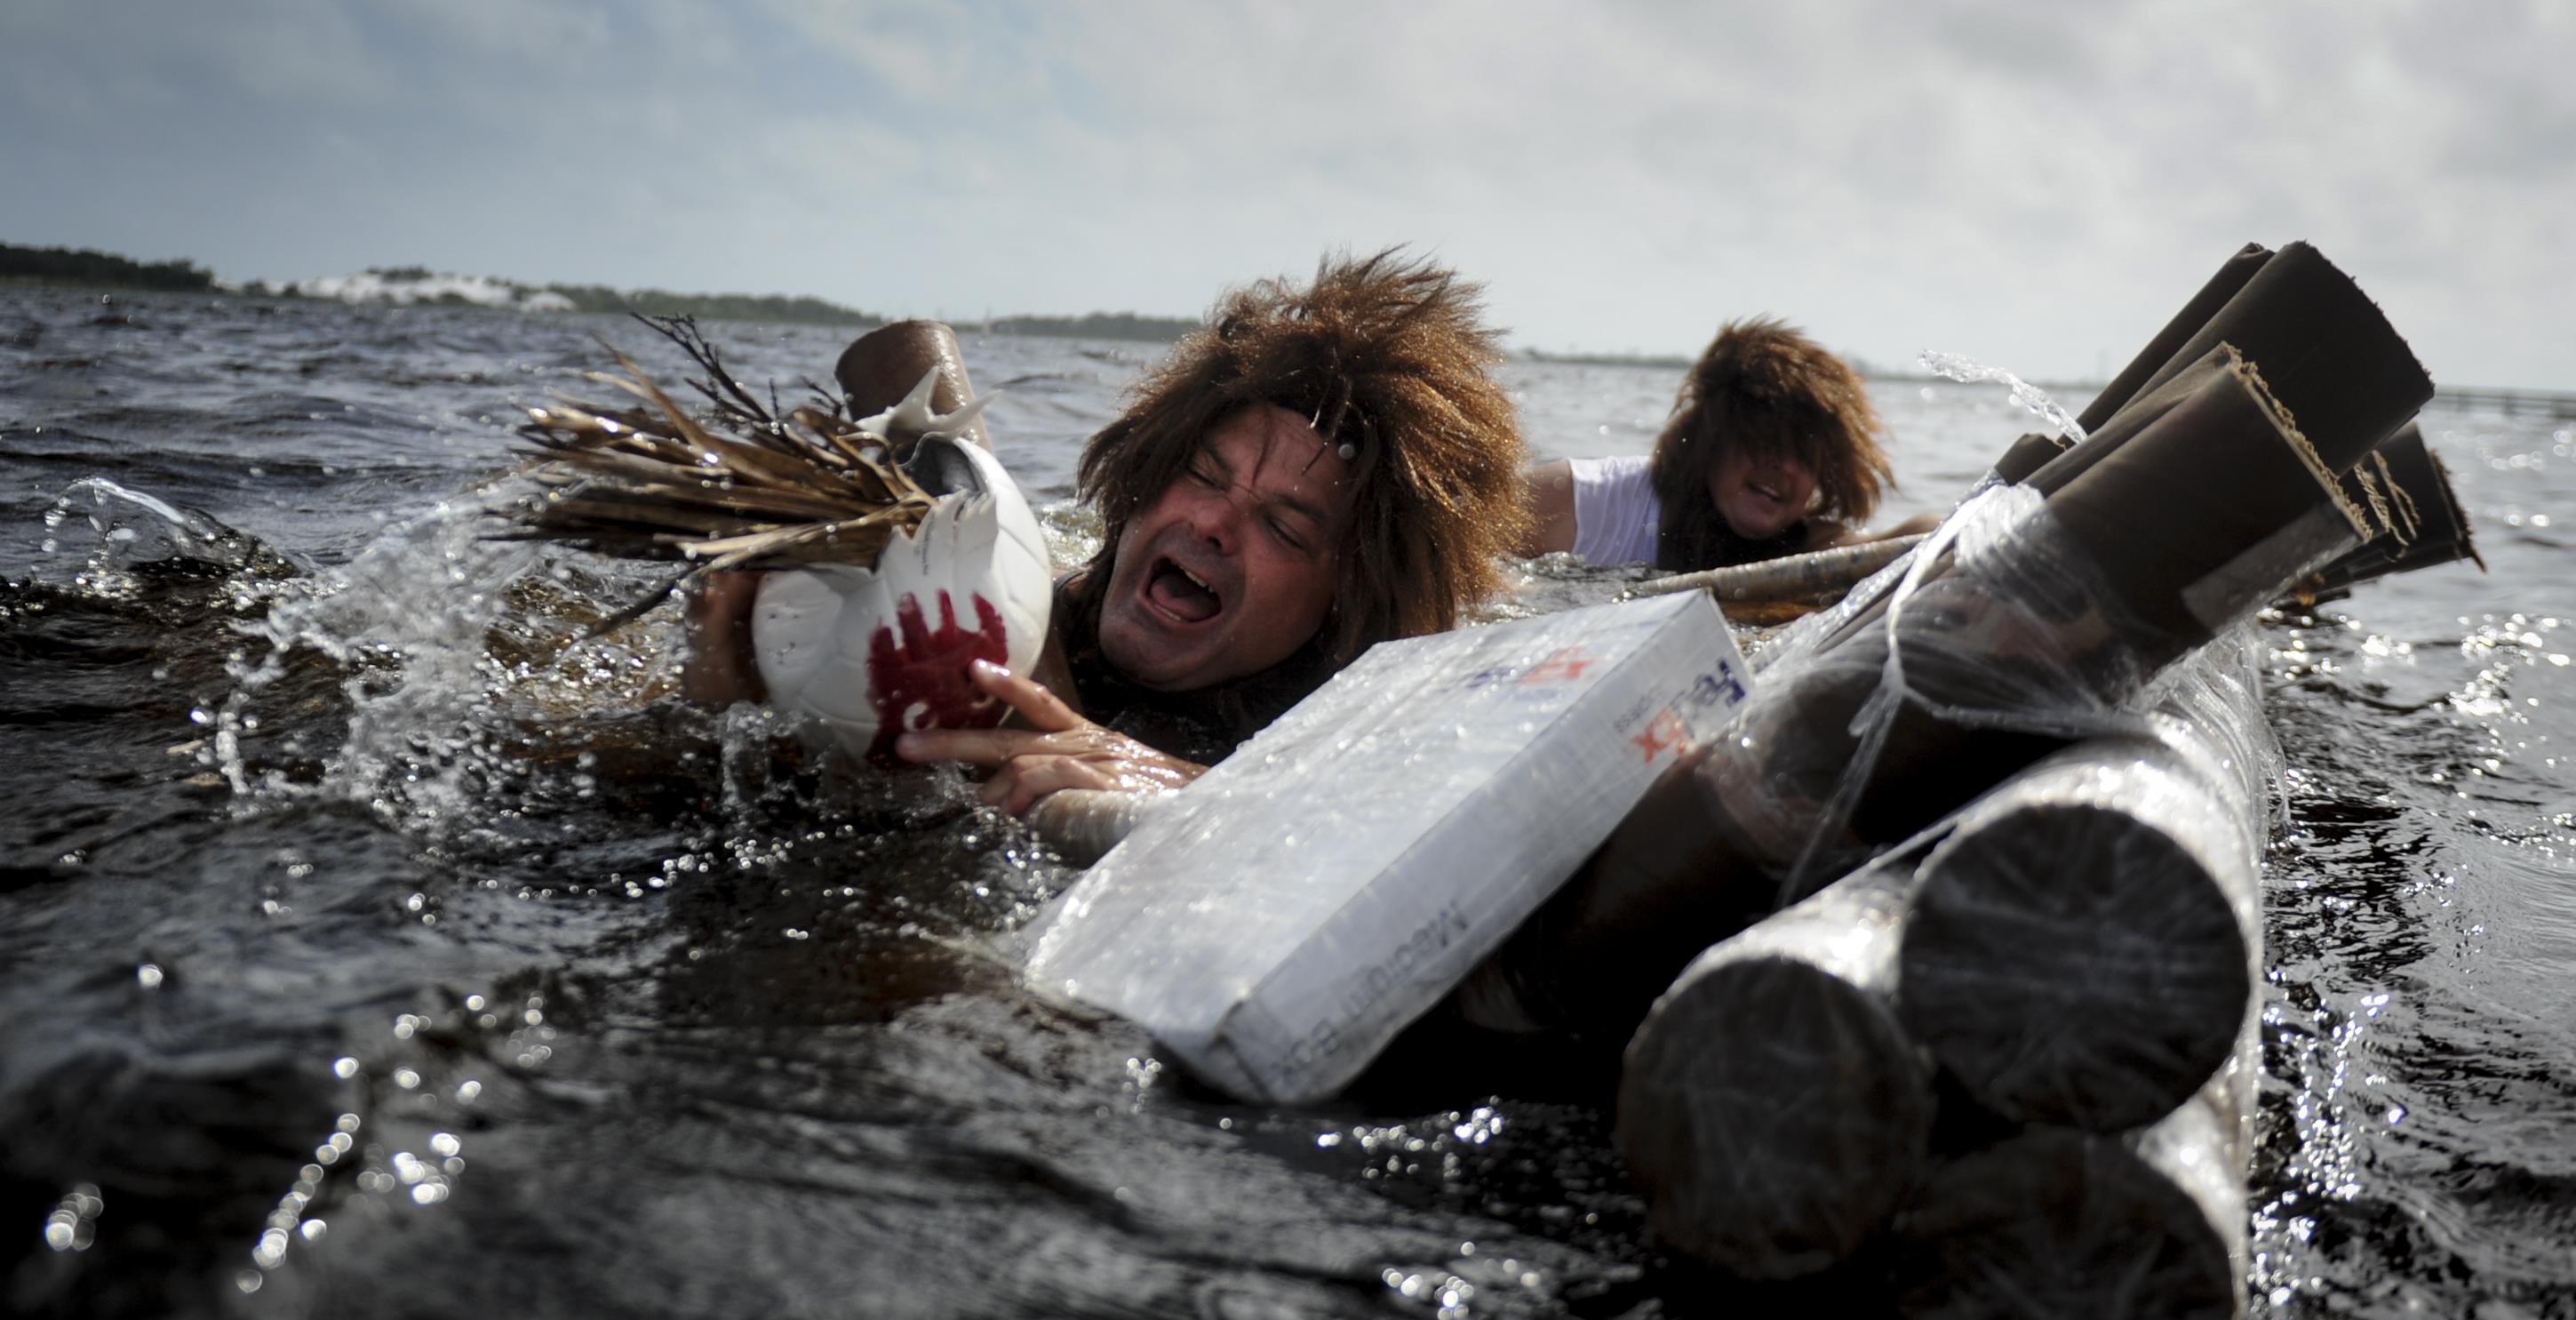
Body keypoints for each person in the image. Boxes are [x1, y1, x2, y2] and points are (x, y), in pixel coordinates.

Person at [687, 249, 1530, 815]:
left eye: (1283, 524)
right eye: (1201, 476)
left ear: (1349, 599)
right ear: (1138, 479)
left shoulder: (1338, 745)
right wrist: (720, 725)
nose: (1212, 523)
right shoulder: (999, 591)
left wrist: (1190, 799)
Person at [1516, 317, 1925, 572]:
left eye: (1804, 455)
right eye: (1765, 442)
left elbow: (1918, 539)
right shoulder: (1584, 502)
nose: (1783, 466)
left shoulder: (1821, 554)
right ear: (1714, 439)